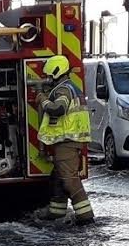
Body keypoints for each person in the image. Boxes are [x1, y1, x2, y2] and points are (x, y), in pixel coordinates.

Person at [36, 55, 94, 225]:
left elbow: (58, 109)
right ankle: (56, 211)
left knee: (69, 179)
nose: (47, 79)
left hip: (67, 140)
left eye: (49, 76)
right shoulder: (71, 87)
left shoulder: (63, 90)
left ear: (56, 72)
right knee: (58, 176)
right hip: (70, 140)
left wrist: (43, 100)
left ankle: (86, 217)